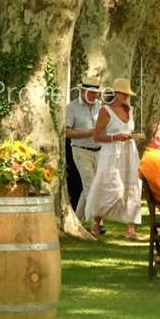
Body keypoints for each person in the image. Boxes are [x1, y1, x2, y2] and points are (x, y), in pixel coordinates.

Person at [85, 78, 142, 240]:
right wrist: (115, 137)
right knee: (108, 186)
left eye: (127, 94)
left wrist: (133, 137)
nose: (126, 96)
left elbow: (128, 130)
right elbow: (97, 136)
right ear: (115, 94)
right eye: (123, 93)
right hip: (111, 153)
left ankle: (130, 229)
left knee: (132, 186)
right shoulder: (105, 110)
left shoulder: (130, 110)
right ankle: (96, 223)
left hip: (129, 152)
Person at [66, 77, 101, 221]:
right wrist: (89, 132)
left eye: (96, 93)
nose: (94, 96)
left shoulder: (100, 105)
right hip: (80, 150)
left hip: (99, 150)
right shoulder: (71, 107)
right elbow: (67, 132)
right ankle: (96, 222)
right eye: (91, 92)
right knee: (91, 187)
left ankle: (76, 220)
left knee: (88, 188)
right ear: (82, 91)